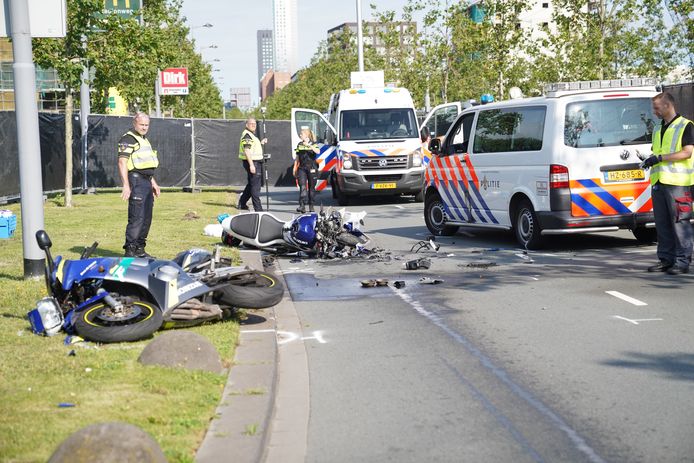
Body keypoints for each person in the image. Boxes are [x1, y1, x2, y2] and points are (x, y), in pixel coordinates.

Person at [640, 92, 694, 275]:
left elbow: (687, 153)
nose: (654, 112)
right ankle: (666, 259)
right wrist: (649, 159)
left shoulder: (686, 126)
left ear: (667, 105)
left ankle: (682, 261)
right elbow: (658, 152)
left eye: (656, 108)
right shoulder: (657, 128)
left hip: (678, 183)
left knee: (680, 222)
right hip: (659, 182)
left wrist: (660, 158)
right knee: (662, 224)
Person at [118, 112, 161, 258]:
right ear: (134, 123)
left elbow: (146, 164)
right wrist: (126, 185)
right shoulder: (128, 139)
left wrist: (153, 183)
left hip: (146, 181)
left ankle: (140, 249)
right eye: (141, 124)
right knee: (137, 216)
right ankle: (130, 251)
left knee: (147, 217)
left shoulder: (144, 140)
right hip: (136, 181)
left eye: (146, 125)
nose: (144, 127)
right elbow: (122, 162)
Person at [237, 117, 267, 211]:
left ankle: (242, 203)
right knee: (255, 187)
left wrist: (261, 143)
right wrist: (251, 165)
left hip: (254, 162)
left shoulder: (251, 135)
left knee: (251, 184)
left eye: (254, 124)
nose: (253, 125)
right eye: (251, 124)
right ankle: (258, 210)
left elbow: (252, 148)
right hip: (253, 162)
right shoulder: (247, 135)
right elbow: (247, 150)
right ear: (246, 125)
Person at [293, 126, 321, 213]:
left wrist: (309, 145)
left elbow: (318, 151)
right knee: (302, 186)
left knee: (312, 188)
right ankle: (302, 206)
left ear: (306, 135)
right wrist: (295, 167)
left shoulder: (313, 143)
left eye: (301, 134)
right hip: (302, 168)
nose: (300, 135)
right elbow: (297, 157)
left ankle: (311, 206)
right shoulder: (299, 144)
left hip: (312, 168)